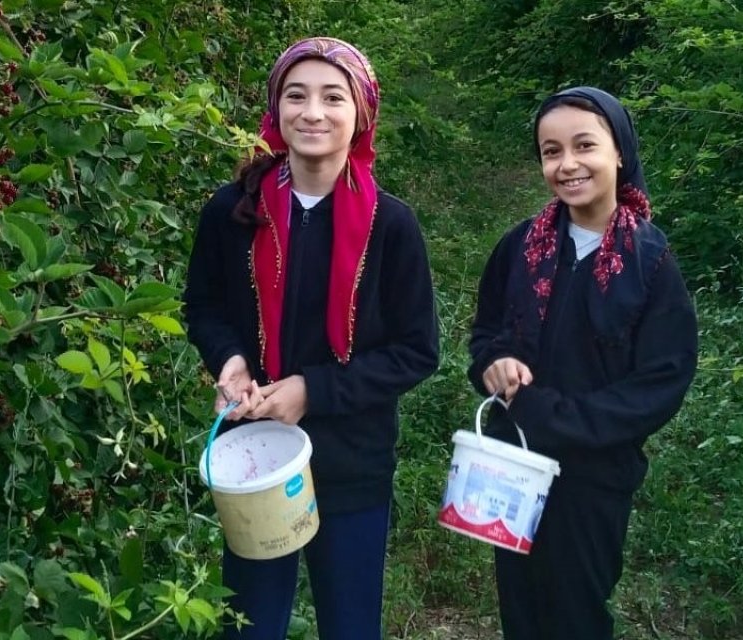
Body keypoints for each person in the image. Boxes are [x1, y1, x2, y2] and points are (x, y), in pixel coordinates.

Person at [183, 37, 439, 640]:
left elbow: (416, 350)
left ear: (361, 114)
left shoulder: (391, 225)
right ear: (276, 110)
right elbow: (205, 306)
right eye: (296, 96)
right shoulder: (233, 210)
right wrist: (231, 359)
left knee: (350, 627)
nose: (314, 113)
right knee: (249, 625)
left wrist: (312, 391)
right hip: (256, 460)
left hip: (353, 463)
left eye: (333, 97)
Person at [467, 86, 699, 639]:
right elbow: (485, 335)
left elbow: (662, 381)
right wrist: (495, 363)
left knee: (576, 612)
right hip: (514, 466)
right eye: (551, 151)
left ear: (619, 151)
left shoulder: (650, 262)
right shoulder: (521, 246)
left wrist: (556, 416)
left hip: (594, 478)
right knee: (521, 607)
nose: (567, 164)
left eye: (583, 146)